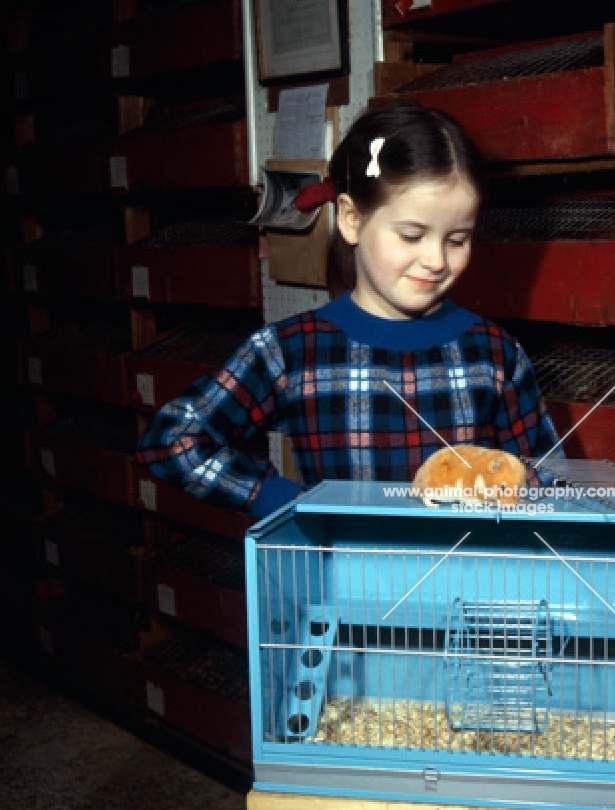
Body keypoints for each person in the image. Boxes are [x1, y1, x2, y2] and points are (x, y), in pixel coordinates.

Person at [136, 99, 562, 519]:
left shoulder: (495, 354)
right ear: (352, 219)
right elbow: (173, 441)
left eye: (457, 239)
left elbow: (552, 481)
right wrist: (289, 505)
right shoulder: (289, 351)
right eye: (412, 235)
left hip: (467, 584)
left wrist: (521, 492)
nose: (436, 259)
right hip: (346, 581)